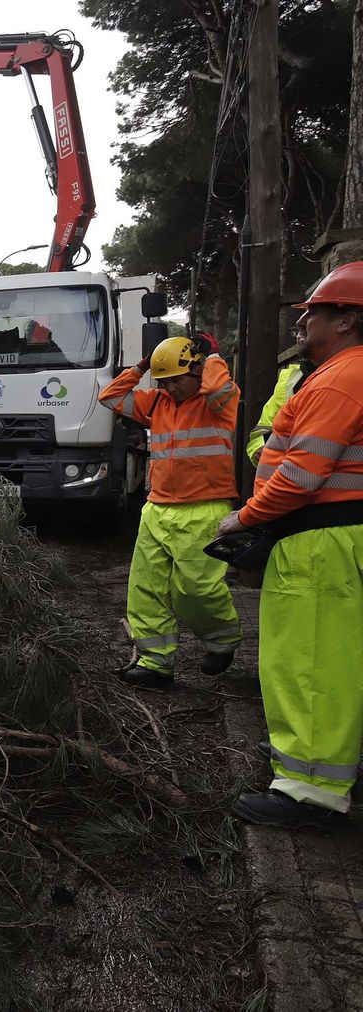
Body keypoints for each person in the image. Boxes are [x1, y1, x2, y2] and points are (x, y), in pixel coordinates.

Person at [217, 261, 363, 828]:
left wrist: (243, 519)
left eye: (314, 314)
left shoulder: (339, 377)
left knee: (309, 661)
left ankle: (311, 793)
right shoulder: (342, 373)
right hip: (335, 535)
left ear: (347, 318)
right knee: (337, 658)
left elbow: (302, 476)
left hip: (319, 541)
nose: (303, 326)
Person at [98, 335, 242, 687]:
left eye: (178, 379)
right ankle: (155, 662)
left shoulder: (218, 401)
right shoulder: (157, 403)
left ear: (197, 371)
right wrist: (144, 365)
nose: (172, 387)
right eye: (164, 381)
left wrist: (213, 357)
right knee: (146, 588)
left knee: (195, 590)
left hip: (205, 508)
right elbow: (111, 396)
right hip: (157, 507)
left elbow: (219, 390)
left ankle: (222, 641)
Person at [245, 321, 313, 463]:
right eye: (298, 332)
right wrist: (259, 448)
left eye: (305, 332)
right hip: (285, 476)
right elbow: (262, 429)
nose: (300, 338)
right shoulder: (292, 376)